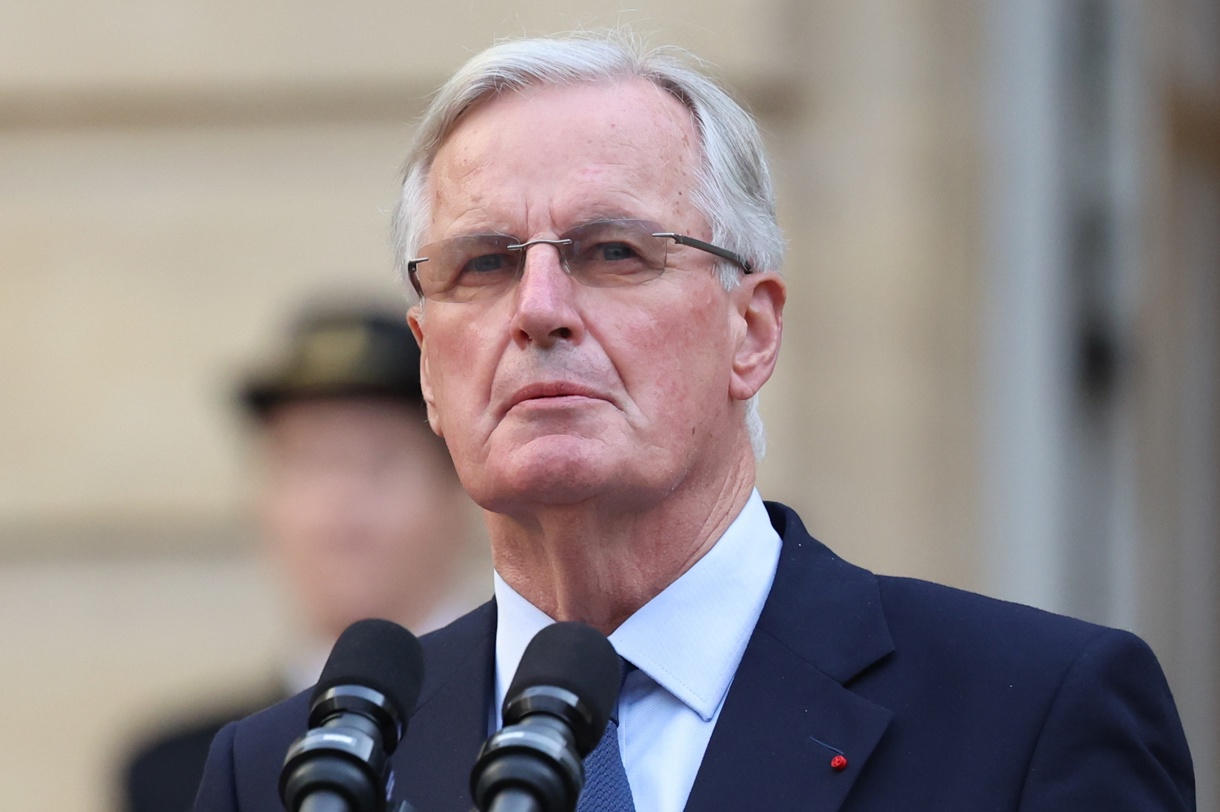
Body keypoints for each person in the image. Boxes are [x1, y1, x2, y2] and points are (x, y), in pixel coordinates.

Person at [195, 33, 1195, 811]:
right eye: (485, 264)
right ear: (428, 363)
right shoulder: (290, 771)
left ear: (749, 330)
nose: (537, 307)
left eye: (612, 252)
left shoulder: (1028, 712)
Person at [123, 305, 477, 812]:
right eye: (311, 462)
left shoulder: (532, 742)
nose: (342, 505)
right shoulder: (179, 774)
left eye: (380, 464)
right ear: (261, 503)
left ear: (458, 491)